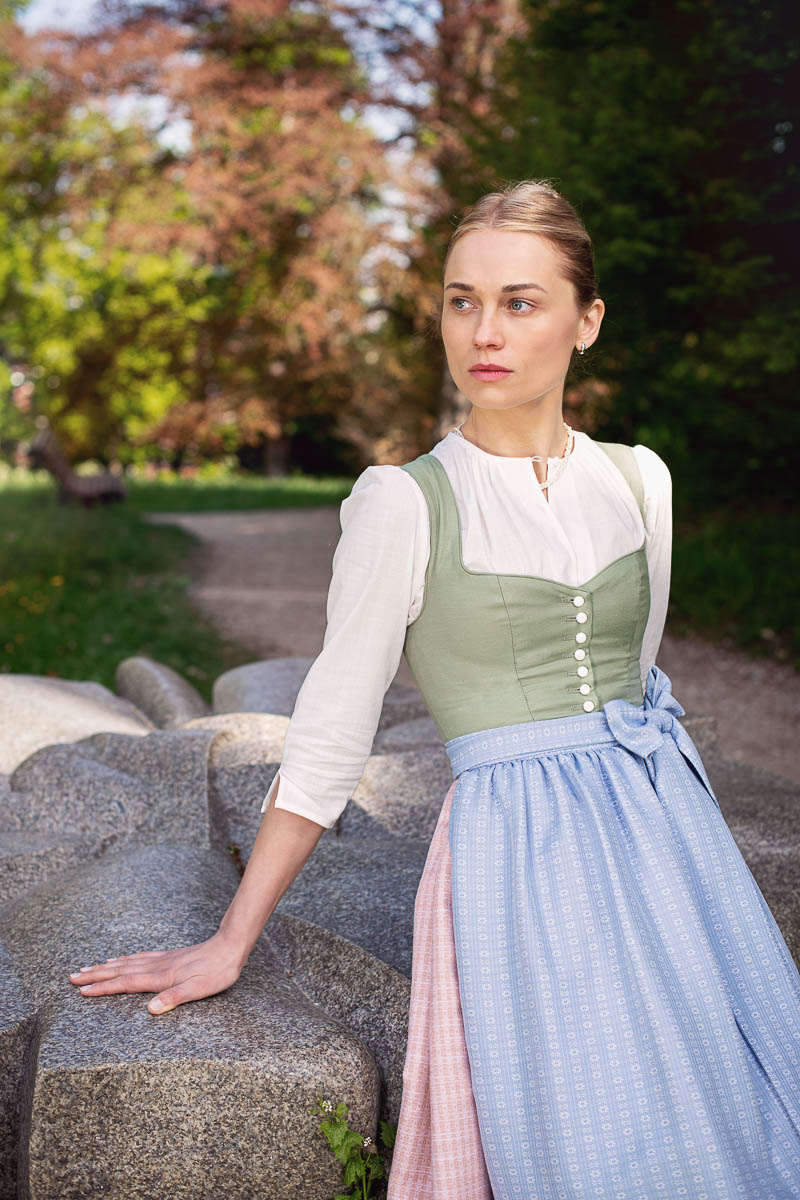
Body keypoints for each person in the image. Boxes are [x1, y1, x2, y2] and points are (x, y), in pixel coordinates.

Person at [68, 180, 800, 1199]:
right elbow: (328, 732)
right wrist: (230, 939)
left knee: (739, 1111)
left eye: (518, 301)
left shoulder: (641, 480)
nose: (482, 332)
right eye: (460, 301)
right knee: (597, 1146)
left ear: (585, 322)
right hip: (519, 858)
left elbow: (637, 680)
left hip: (667, 837)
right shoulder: (403, 502)